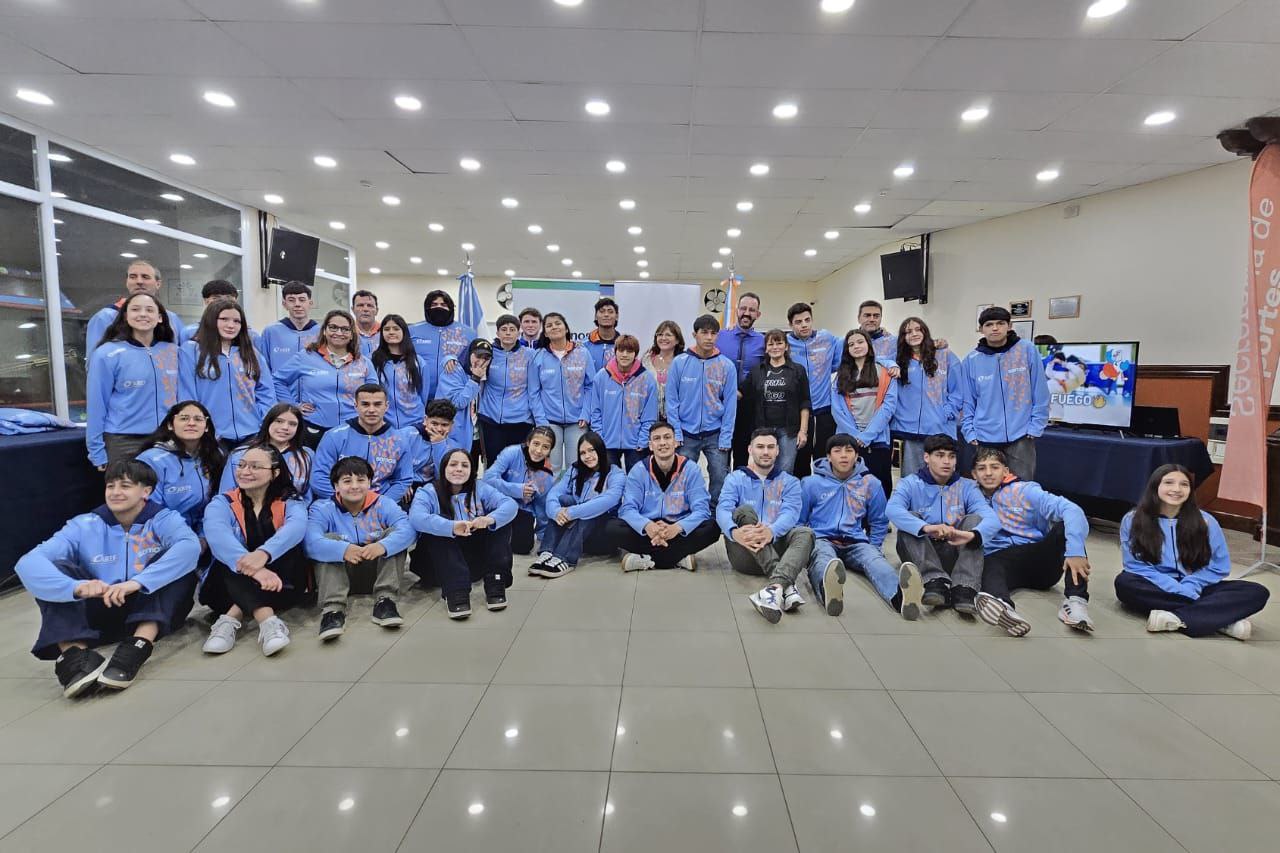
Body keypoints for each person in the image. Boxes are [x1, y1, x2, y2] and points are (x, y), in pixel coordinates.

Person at [14, 459, 200, 697]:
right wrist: (76, 587)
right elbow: (28, 562)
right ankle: (74, 657)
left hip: (152, 609)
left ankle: (137, 647)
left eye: (125, 486)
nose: (115, 492)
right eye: (110, 486)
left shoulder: (164, 519)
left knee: (178, 565)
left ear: (146, 491)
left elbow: (190, 547)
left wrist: (137, 582)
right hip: (102, 609)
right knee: (56, 568)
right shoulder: (84, 525)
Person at [1115, 464, 1269, 640]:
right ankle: (1220, 620)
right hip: (1156, 585)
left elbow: (1219, 566)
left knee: (1257, 591)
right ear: (1155, 486)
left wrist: (1191, 585)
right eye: (1169, 483)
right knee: (1125, 583)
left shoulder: (1206, 521)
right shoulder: (1133, 519)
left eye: (1184, 484)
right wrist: (1175, 588)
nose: (1176, 489)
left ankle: (1177, 618)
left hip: (1198, 586)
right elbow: (1135, 565)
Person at [971, 447, 1093, 636]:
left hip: (1039, 560)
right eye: (981, 468)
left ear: (1006, 471)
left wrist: (1075, 551)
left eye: (994, 467)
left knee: (1064, 528)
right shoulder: (970, 495)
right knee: (989, 563)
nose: (988, 473)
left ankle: (1076, 602)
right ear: (974, 474)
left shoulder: (1025, 490)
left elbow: (1072, 510)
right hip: (1003, 561)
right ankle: (1004, 608)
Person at [802, 434, 924, 620]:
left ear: (857, 455)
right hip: (822, 539)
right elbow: (799, 519)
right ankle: (829, 593)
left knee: (876, 562)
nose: (844, 455)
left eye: (849, 451)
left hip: (856, 541)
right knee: (823, 561)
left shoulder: (871, 484)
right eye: (837, 451)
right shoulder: (811, 483)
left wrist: (874, 546)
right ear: (828, 457)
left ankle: (900, 598)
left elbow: (879, 520)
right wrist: (804, 547)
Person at [200, 445, 307, 656]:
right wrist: (256, 569)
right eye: (241, 465)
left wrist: (263, 555)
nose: (245, 471)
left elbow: (297, 528)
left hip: (282, 584)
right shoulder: (222, 503)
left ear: (275, 473)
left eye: (255, 466)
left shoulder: (290, 501)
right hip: (225, 589)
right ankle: (267, 621)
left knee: (286, 550)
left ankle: (230, 619)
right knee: (229, 559)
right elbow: (218, 537)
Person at [886, 434, 999, 614]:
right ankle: (934, 581)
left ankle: (964, 588)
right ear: (926, 457)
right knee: (910, 520)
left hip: (954, 549)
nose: (946, 461)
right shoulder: (910, 483)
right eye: (939, 455)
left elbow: (992, 519)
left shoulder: (967, 486)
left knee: (975, 521)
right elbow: (892, 510)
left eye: (951, 456)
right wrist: (926, 527)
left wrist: (972, 534)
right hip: (922, 550)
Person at [307, 457, 416, 640]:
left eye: (361, 480)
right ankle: (333, 611)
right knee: (328, 540)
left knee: (393, 535)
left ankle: (385, 601)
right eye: (347, 481)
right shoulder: (322, 508)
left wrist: (382, 546)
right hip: (340, 575)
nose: (355, 486)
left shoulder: (384, 503)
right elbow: (310, 542)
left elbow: (408, 530)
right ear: (336, 486)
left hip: (376, 572)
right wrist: (342, 550)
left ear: (369, 483)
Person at [717, 429, 814, 623]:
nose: (765, 452)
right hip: (744, 551)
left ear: (778, 450)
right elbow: (722, 509)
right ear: (750, 449)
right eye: (760, 447)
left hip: (776, 547)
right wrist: (734, 532)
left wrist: (771, 531)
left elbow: (791, 513)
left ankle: (774, 589)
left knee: (806, 532)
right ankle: (787, 585)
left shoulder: (790, 482)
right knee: (744, 512)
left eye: (770, 447)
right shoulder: (735, 478)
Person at [409, 448, 518, 619]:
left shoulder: (480, 488)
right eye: (453, 464)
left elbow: (510, 505)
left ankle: (495, 582)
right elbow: (416, 517)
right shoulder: (428, 491)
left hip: (472, 561)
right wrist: (451, 527)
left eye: (465, 465)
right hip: (436, 565)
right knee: (437, 529)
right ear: (443, 468)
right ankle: (456, 592)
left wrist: (488, 519)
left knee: (499, 523)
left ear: (472, 470)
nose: (459, 469)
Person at [86, 291, 184, 468]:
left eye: (149, 310)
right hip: (123, 440)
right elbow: (96, 404)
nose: (143, 314)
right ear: (125, 316)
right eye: (136, 309)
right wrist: (96, 451)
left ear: (160, 318)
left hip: (167, 439)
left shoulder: (174, 352)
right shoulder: (106, 354)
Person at [605, 420, 720, 572]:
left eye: (667, 437)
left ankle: (646, 559)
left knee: (712, 527)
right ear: (650, 445)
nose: (662, 443)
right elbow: (627, 508)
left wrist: (677, 528)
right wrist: (648, 526)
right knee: (611, 527)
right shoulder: (639, 470)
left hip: (678, 527)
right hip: (648, 529)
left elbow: (702, 510)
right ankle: (677, 557)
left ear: (675, 442)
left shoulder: (691, 469)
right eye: (657, 438)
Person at [961, 306, 1050, 481]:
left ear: (1009, 326)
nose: (995, 328)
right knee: (988, 487)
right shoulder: (971, 360)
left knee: (1021, 487)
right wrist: (969, 431)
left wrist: (1036, 426)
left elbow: (1040, 391)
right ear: (981, 329)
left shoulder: (1027, 350)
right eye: (989, 324)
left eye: (1000, 323)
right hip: (985, 436)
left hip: (1021, 435)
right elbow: (967, 400)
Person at [271, 308, 377, 448]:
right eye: (333, 327)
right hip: (314, 428)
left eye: (345, 329)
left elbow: (375, 393)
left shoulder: (363, 362)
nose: (339, 332)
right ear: (325, 331)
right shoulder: (305, 357)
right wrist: (293, 405)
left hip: (353, 428)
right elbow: (277, 380)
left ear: (352, 334)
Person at [181, 298, 276, 450]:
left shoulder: (252, 353)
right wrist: (200, 426)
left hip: (251, 434)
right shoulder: (191, 350)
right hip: (211, 436)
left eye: (237, 321)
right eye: (224, 319)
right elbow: (187, 394)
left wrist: (262, 423)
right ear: (211, 320)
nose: (231, 325)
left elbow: (266, 392)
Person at [529, 431, 624, 578]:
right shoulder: (575, 470)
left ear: (600, 450)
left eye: (591, 450)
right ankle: (547, 552)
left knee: (591, 509)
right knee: (563, 500)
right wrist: (556, 512)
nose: (587, 456)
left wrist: (571, 512)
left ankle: (565, 558)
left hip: (601, 536)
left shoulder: (616, 473)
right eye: (583, 453)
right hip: (578, 534)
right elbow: (555, 493)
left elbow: (608, 500)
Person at [666, 314, 737, 501]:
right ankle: (686, 510)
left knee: (720, 478)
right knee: (682, 478)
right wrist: (676, 432)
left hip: (715, 434)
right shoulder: (679, 363)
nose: (709, 337)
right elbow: (671, 401)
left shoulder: (726, 366)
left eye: (713, 333)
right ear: (694, 334)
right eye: (704, 332)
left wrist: (726, 436)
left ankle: (714, 513)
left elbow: (730, 405)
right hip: (686, 434)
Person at [310, 384, 416, 503]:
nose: (371, 410)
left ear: (386, 406)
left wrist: (380, 505)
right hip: (339, 503)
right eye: (365, 404)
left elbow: (403, 480)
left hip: (380, 505)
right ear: (356, 406)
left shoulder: (399, 440)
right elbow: (318, 478)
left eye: (377, 404)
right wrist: (346, 502)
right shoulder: (334, 436)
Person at [137, 400, 224, 539]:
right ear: (170, 425)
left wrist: (204, 537)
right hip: (163, 534)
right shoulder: (151, 459)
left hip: (206, 532)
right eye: (184, 418)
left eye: (198, 419)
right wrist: (186, 540)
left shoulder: (214, 454)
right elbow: (149, 510)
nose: (191, 423)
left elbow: (219, 502)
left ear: (206, 426)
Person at [891, 316, 964, 476]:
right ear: (903, 337)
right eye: (908, 332)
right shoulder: (897, 360)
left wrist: (947, 413)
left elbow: (958, 390)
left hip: (940, 428)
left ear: (925, 332)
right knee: (913, 479)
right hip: (909, 430)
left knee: (942, 477)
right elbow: (876, 359)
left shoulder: (945, 356)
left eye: (918, 329)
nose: (914, 334)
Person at [832, 329, 899, 496]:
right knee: (852, 488)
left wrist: (867, 436)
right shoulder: (840, 375)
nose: (856, 346)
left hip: (878, 439)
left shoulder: (885, 371)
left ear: (868, 345)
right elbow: (837, 410)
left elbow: (888, 406)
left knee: (880, 487)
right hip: (850, 440)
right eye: (851, 344)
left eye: (860, 342)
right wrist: (855, 436)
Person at [528, 311, 594, 472]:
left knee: (577, 466)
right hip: (550, 422)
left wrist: (586, 413)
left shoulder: (582, 353)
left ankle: (575, 490)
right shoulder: (538, 357)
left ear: (566, 329)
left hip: (577, 421)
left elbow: (591, 386)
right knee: (552, 467)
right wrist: (541, 420)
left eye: (558, 323)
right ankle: (552, 491)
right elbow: (533, 392)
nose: (554, 327)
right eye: (549, 325)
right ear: (545, 333)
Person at [739, 329, 810, 475]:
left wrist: (803, 431)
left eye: (779, 343)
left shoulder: (798, 370)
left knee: (785, 470)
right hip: (763, 429)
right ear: (766, 348)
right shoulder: (757, 371)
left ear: (786, 346)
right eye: (771, 344)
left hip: (789, 430)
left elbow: (805, 402)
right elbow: (741, 393)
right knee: (760, 469)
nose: (775, 347)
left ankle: (780, 491)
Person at [786, 303, 842, 478]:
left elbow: (850, 347)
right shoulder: (785, 343)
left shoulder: (827, 338)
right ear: (790, 325)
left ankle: (823, 492)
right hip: (797, 412)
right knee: (799, 461)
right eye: (798, 322)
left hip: (824, 409)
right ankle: (800, 493)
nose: (804, 325)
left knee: (824, 459)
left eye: (807, 320)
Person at [587, 333, 659, 470]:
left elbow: (650, 415)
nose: (625, 355)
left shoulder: (647, 379)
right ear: (615, 352)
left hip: (636, 444)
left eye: (629, 351)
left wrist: (643, 439)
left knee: (637, 479)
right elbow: (595, 411)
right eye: (621, 350)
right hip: (607, 442)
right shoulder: (601, 377)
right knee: (610, 479)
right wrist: (600, 437)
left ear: (635, 354)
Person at [85, 259, 185, 355]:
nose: (139, 281)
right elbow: (95, 360)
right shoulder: (105, 317)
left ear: (158, 284)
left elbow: (181, 356)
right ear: (127, 282)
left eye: (145, 277)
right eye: (133, 277)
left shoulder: (172, 318)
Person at [483, 426, 557, 555]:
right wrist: (518, 489)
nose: (539, 451)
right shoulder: (512, 452)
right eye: (536, 444)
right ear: (528, 442)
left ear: (550, 450)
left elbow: (542, 507)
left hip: (522, 510)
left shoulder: (547, 474)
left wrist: (543, 537)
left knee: (523, 547)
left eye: (545, 447)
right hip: (498, 503)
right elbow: (488, 478)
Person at [220, 403, 315, 501]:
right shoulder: (240, 454)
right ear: (268, 422)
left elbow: (308, 496)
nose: (285, 427)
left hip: (293, 508)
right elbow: (226, 495)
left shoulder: (307, 455)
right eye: (279, 421)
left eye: (292, 424)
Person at [480, 314, 535, 463]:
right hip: (491, 419)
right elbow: (466, 362)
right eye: (504, 329)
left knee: (517, 465)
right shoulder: (487, 353)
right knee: (493, 464)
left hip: (521, 420)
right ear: (497, 333)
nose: (508, 333)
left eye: (512, 329)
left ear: (519, 333)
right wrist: (449, 359)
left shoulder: (530, 355)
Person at [718, 291, 765, 469]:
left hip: (748, 407)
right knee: (720, 458)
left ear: (758, 314)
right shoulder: (720, 337)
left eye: (752, 310)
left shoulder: (764, 341)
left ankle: (740, 484)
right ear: (737, 310)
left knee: (742, 456)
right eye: (743, 308)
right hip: (722, 404)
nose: (746, 313)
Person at [409, 289, 476, 399]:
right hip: (418, 396)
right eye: (434, 304)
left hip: (454, 398)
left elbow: (473, 365)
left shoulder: (468, 333)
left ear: (451, 308)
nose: (438, 307)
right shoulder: (412, 331)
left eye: (443, 305)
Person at [259, 280, 320, 401]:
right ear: (284, 304)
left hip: (314, 402)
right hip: (280, 402)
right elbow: (264, 370)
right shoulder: (271, 332)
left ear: (310, 303)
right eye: (291, 300)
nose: (297, 304)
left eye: (302, 300)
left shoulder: (322, 332)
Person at [369, 314, 428, 430]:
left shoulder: (418, 362)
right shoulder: (372, 360)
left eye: (396, 329)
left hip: (414, 422)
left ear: (404, 332)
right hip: (383, 422)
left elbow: (423, 393)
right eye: (387, 329)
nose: (391, 332)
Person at [437, 338, 494, 453]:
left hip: (475, 433)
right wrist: (475, 379)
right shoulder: (453, 370)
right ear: (469, 354)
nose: (481, 361)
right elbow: (458, 402)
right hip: (453, 435)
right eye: (478, 356)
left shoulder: (485, 373)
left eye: (486, 358)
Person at [180, 279, 261, 350]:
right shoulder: (189, 332)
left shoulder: (251, 335)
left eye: (228, 298)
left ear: (236, 301)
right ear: (206, 301)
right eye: (216, 298)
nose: (223, 302)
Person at [642, 320, 684, 420]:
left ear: (677, 340)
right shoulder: (646, 360)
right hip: (649, 416)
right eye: (660, 335)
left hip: (676, 417)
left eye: (668, 335)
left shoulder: (683, 362)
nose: (663, 338)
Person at [583, 297, 622, 373]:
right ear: (595, 316)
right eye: (602, 311)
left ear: (617, 317)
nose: (606, 315)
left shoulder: (623, 345)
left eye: (610, 312)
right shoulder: (584, 345)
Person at [352, 289, 381, 357]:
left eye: (370, 305)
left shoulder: (386, 332)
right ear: (353, 310)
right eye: (360, 305)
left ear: (376, 310)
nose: (365, 309)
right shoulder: (346, 334)